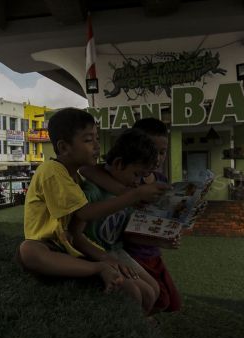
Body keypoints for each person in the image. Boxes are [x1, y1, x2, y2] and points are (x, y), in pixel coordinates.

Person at [16, 108, 170, 293]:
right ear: (64, 147)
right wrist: (133, 196)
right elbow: (85, 212)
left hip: (68, 247)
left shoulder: (76, 178)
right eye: (89, 140)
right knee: (29, 249)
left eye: (97, 138)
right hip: (49, 246)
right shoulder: (51, 170)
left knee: (146, 289)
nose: (97, 145)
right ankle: (96, 268)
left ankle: (97, 267)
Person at [80, 118, 182, 312]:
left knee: (160, 296)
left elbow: (128, 227)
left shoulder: (144, 181)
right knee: (143, 294)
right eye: (138, 175)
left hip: (134, 249)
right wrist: (130, 195)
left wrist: (163, 239)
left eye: (162, 152)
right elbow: (81, 218)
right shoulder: (121, 188)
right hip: (120, 251)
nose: (158, 157)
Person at [69, 128, 162, 316]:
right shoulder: (94, 191)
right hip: (95, 254)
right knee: (136, 293)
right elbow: (76, 235)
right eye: (137, 174)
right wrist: (105, 258)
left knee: (154, 290)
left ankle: (141, 329)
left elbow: (124, 231)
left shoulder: (127, 191)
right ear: (119, 164)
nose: (139, 182)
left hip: (116, 251)